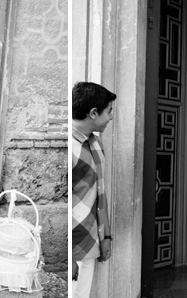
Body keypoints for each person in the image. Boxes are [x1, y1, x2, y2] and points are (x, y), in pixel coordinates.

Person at [71, 82, 115, 298]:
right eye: (109, 111)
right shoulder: (70, 147)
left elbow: (101, 192)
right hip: (75, 242)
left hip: (91, 239)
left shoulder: (95, 143)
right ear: (93, 113)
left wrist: (106, 236)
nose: (111, 117)